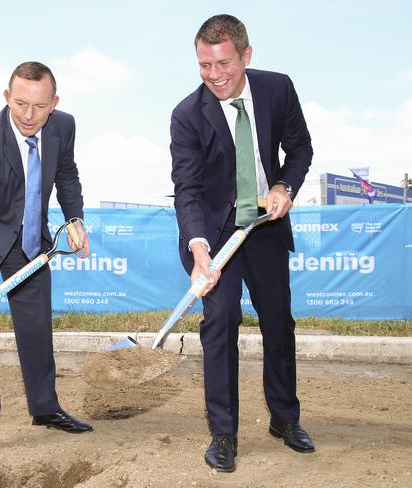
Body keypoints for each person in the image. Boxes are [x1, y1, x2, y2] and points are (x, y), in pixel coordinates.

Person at [170, 15, 314, 472]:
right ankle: (224, 433)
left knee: (277, 321)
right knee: (221, 320)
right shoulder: (187, 115)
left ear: (246, 56)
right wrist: (198, 250)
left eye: (223, 63)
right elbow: (188, 189)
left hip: (264, 226)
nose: (214, 75)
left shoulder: (277, 89)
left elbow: (301, 149)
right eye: (204, 65)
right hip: (213, 236)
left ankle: (285, 419)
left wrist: (285, 187)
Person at [0, 61, 93, 468]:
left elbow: (66, 174)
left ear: (54, 103)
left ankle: (45, 407)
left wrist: (75, 219)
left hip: (27, 236)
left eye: (39, 107)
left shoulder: (64, 127)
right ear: (7, 97)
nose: (28, 115)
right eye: (20, 104)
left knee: (37, 322)